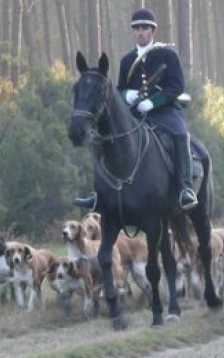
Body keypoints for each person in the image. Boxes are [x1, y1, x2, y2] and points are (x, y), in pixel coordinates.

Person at [74, 8, 198, 211]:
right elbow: (119, 89)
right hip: (135, 113)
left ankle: (186, 188)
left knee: (180, 133)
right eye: (137, 28)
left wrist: (154, 102)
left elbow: (177, 86)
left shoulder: (167, 54)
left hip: (165, 111)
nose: (140, 32)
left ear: (153, 31)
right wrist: (127, 95)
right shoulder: (127, 60)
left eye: (144, 28)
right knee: (103, 139)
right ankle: (98, 192)